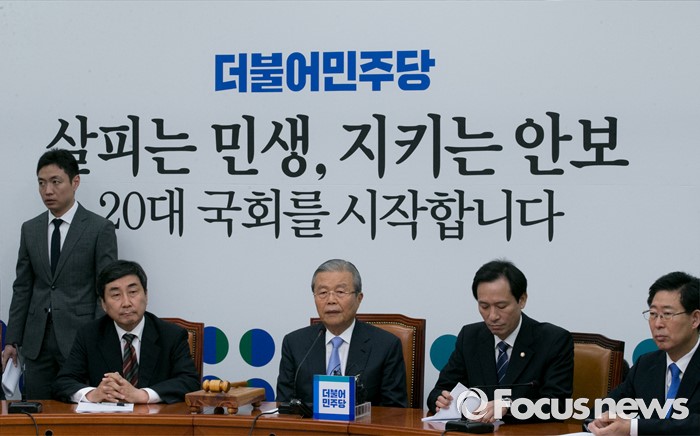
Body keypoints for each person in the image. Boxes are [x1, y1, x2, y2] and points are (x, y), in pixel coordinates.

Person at [2, 148, 118, 399]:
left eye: (56, 182)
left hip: (80, 340)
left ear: (75, 182)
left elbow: (107, 290)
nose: (48, 191)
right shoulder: (30, 229)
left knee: (79, 410)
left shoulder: (99, 228)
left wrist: (97, 339)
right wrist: (12, 340)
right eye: (41, 183)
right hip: (36, 343)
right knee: (36, 410)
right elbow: (22, 287)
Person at [427, 259, 574, 422]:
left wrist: (509, 406)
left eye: (501, 306)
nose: (493, 316)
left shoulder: (554, 340)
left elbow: (558, 406)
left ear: (522, 300)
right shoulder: (470, 337)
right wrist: (440, 400)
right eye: (484, 306)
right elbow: (441, 390)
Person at [52, 260, 200, 404]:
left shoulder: (171, 335)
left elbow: (190, 382)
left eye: (133, 292)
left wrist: (143, 395)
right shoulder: (89, 335)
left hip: (156, 418)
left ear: (146, 295)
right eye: (116, 295)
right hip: (107, 419)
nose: (126, 303)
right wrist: (93, 394)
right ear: (103, 304)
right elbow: (63, 382)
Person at [276, 259, 407, 407]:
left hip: (363, 422)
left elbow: (394, 411)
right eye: (323, 293)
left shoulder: (385, 346)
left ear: (359, 298)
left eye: (340, 292)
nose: (331, 300)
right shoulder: (294, 344)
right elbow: (284, 405)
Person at [588, 271, 700, 435]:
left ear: (695, 319)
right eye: (653, 314)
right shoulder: (646, 365)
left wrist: (633, 427)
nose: (658, 323)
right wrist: (599, 420)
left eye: (667, 314)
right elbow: (606, 407)